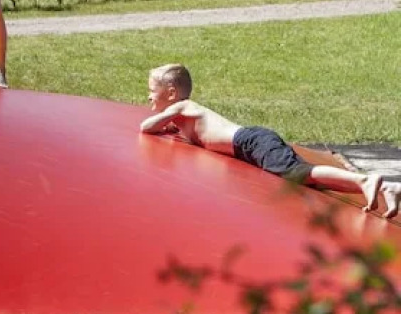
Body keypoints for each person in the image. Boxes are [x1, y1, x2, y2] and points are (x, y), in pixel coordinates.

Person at [140, 64, 399, 217]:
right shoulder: (182, 116)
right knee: (307, 181)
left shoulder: (182, 107)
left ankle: (364, 179)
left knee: (297, 172)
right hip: (252, 144)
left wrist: (162, 120)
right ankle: (387, 189)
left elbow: (146, 127)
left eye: (152, 91)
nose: (149, 96)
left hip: (251, 142)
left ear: (171, 93)